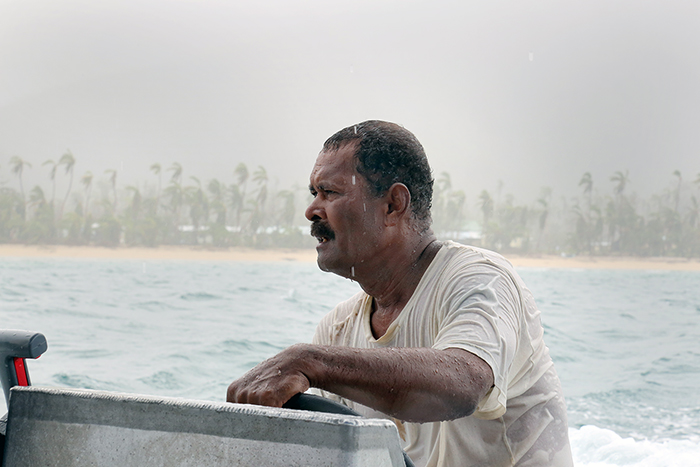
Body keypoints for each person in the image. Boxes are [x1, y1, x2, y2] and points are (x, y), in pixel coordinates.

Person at [227, 120, 573, 466]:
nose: (312, 210)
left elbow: (463, 384)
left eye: (329, 192)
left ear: (393, 204)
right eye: (313, 193)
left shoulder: (480, 280)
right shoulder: (337, 329)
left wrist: (310, 361)